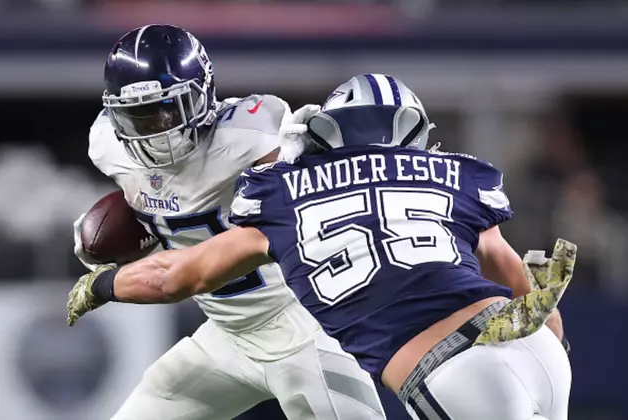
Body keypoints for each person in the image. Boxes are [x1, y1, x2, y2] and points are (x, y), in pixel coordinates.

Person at [69, 73, 572, 420]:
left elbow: (179, 277)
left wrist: (102, 284)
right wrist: (553, 341)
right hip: (536, 348)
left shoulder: (285, 189)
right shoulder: (454, 174)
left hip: (348, 341)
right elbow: (526, 288)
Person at [72, 26, 386, 420]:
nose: (158, 128)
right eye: (140, 116)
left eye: (169, 107)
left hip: (304, 325)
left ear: (204, 94)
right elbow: (169, 215)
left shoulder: (252, 134)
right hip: (227, 334)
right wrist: (140, 226)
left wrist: (308, 160)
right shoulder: (109, 146)